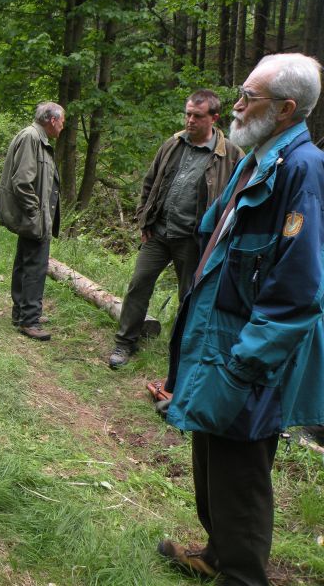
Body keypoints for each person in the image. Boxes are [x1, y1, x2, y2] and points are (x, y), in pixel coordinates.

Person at [159, 53, 324, 585]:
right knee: (211, 455)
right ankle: (215, 554)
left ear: (286, 109)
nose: (235, 105)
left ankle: (243, 575)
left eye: (248, 97)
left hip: (250, 352)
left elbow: (297, 290)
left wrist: (246, 363)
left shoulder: (302, 170)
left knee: (241, 468)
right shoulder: (259, 158)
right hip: (220, 338)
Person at [108, 90, 243, 368]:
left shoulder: (231, 156)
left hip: (194, 241)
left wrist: (218, 242)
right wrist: (144, 220)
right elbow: (150, 182)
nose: (190, 120)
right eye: (188, 114)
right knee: (138, 285)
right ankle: (124, 343)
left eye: (197, 116)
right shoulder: (173, 143)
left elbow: (237, 203)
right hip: (158, 233)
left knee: (189, 298)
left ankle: (181, 354)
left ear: (214, 118)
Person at [0, 103, 64, 341]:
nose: (62, 126)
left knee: (26, 262)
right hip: (35, 216)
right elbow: (22, 182)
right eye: (62, 121)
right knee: (35, 267)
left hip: (35, 215)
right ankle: (29, 320)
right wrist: (35, 213)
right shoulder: (32, 137)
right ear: (52, 120)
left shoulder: (36, 137)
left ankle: (22, 313)